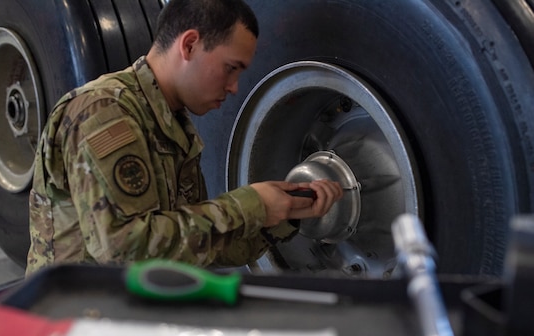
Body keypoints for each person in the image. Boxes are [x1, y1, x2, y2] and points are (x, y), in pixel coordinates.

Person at [26, 0, 343, 275]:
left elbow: (195, 244)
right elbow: (122, 252)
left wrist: (283, 214)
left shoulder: (170, 121)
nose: (234, 86)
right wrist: (252, 205)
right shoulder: (104, 113)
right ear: (189, 45)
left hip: (133, 312)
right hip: (77, 324)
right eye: (230, 68)